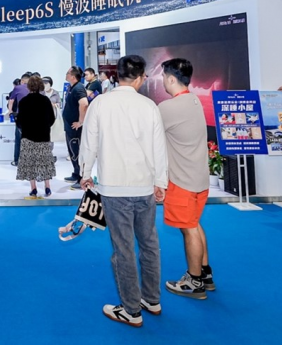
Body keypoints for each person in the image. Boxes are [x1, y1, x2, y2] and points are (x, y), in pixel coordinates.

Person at [80, 55, 168, 328]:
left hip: (114, 187)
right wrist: (161, 181)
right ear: (141, 77)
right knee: (149, 243)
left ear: (116, 76)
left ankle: (131, 309)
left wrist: (85, 172)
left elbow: (89, 141)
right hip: (144, 186)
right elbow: (159, 147)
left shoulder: (100, 103)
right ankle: (151, 299)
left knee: (123, 248)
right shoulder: (149, 105)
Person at [158, 59, 214, 300]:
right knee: (194, 223)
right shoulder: (194, 100)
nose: (162, 80)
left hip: (182, 180)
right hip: (198, 178)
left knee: (189, 229)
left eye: (163, 76)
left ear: (171, 79)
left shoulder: (168, 108)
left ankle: (194, 281)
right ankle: (205, 274)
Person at [15, 75, 56, 198]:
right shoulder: (45, 100)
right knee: (45, 161)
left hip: (28, 136)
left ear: (29, 86)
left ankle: (33, 188)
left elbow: (19, 120)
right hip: (43, 136)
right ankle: (47, 187)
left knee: (30, 162)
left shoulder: (23, 101)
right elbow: (52, 118)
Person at [62, 66, 89, 189]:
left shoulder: (78, 88)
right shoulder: (72, 87)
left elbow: (84, 104)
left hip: (75, 127)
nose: (66, 74)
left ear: (73, 76)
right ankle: (76, 173)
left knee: (77, 152)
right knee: (72, 151)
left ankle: (81, 178)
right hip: (70, 126)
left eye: (68, 73)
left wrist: (80, 121)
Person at [8, 72, 31, 165]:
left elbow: (11, 100)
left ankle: (17, 160)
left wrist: (10, 111)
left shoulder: (17, 88)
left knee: (19, 139)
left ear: (22, 81)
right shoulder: (35, 88)